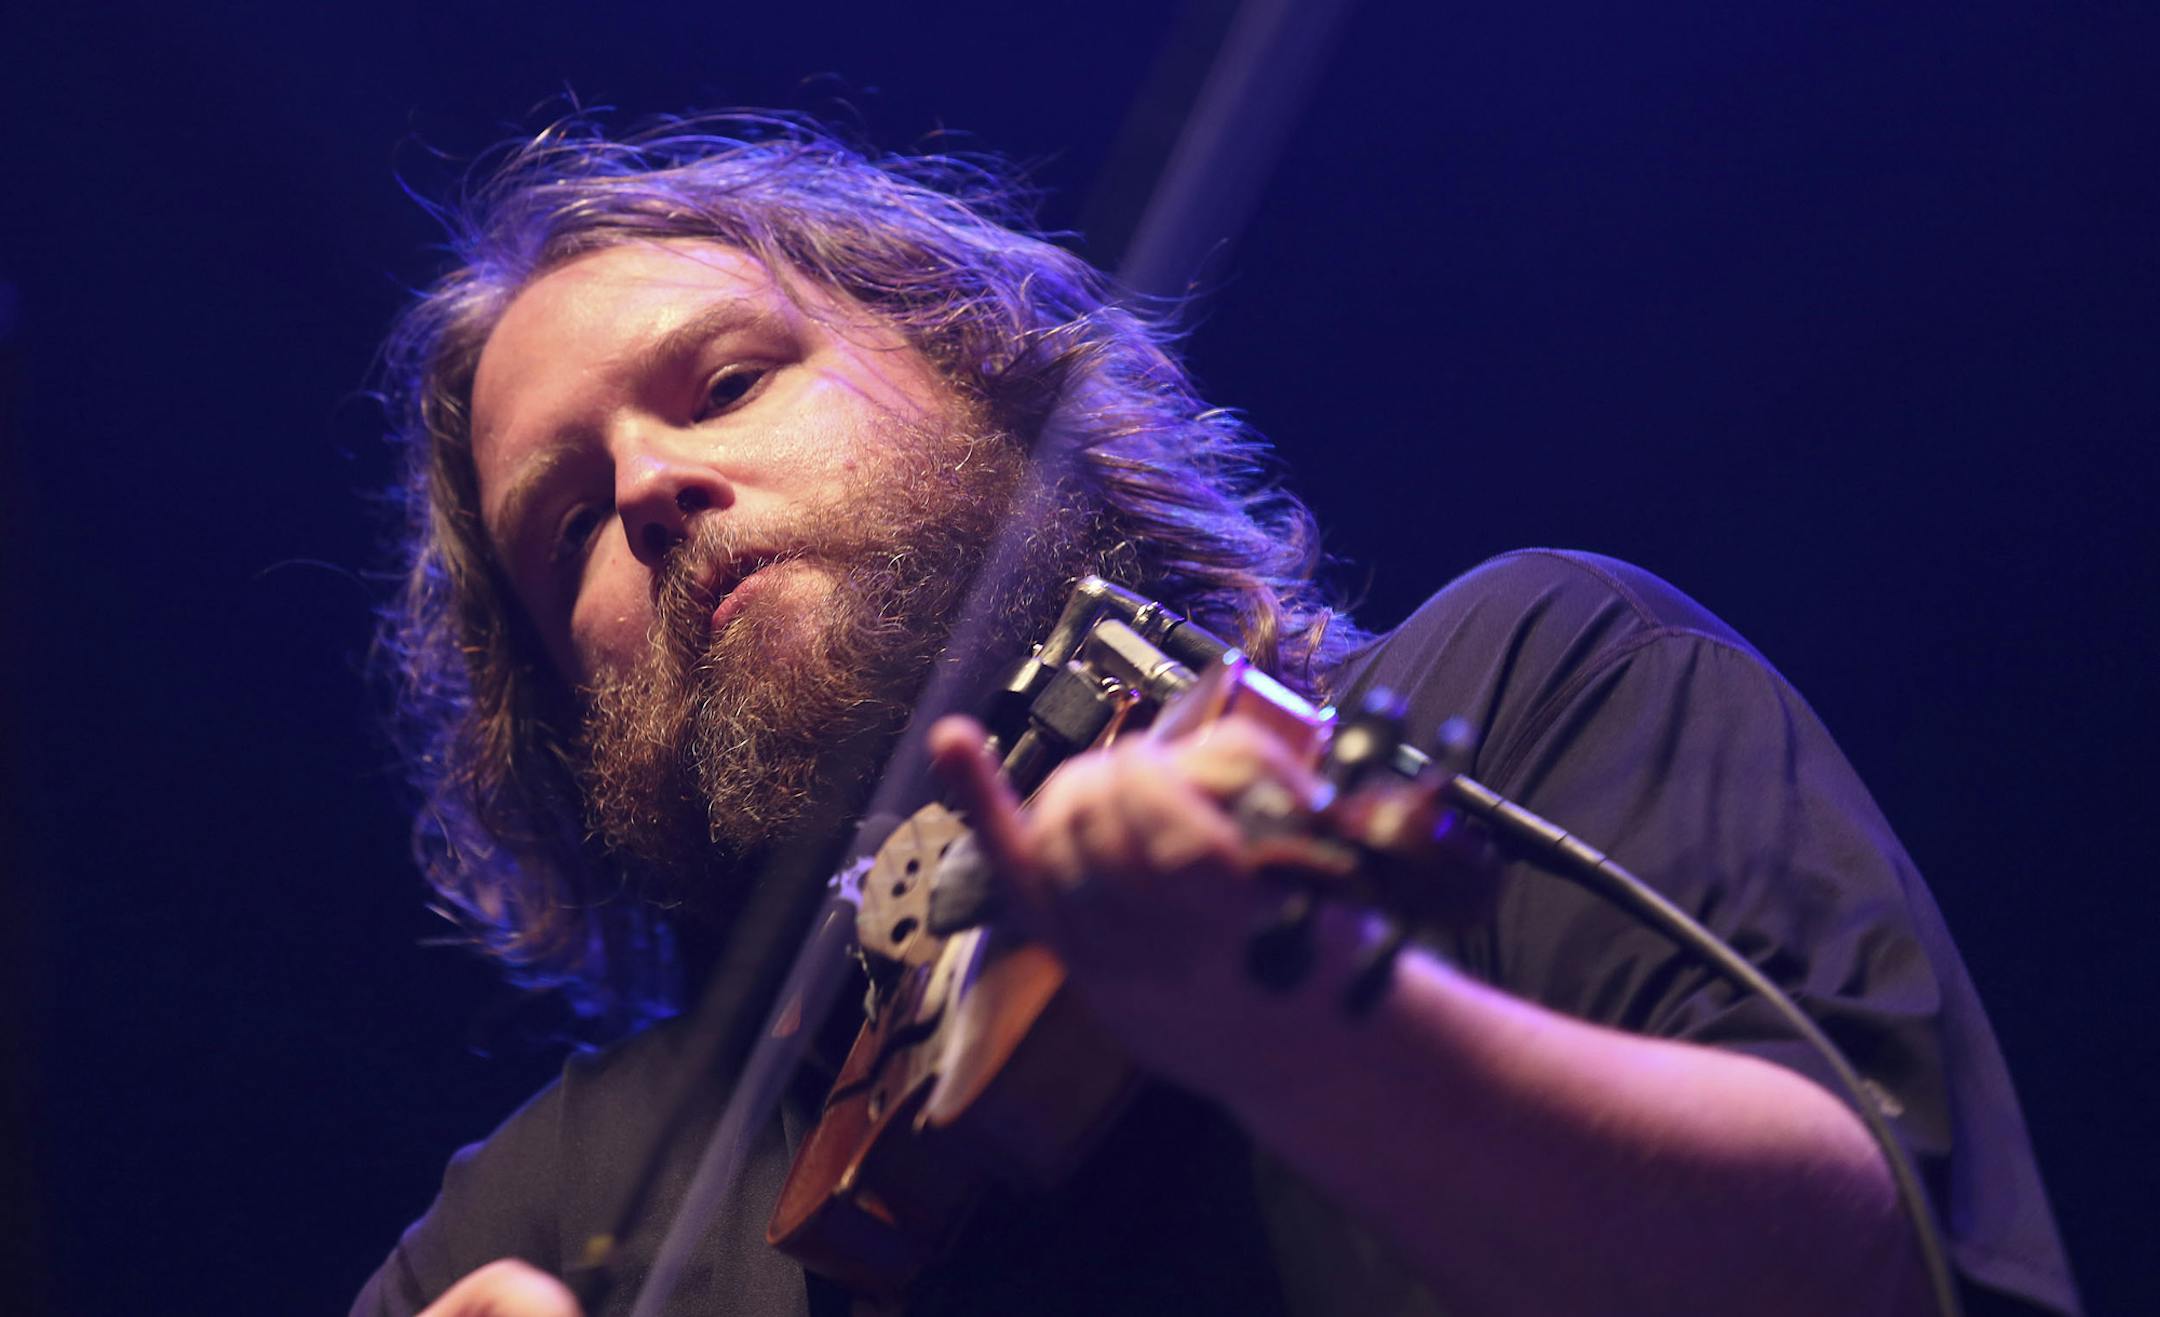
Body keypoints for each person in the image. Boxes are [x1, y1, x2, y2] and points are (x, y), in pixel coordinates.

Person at [355, 117, 2077, 1317]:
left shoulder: (1523, 686)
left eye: (728, 381)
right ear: (560, 717)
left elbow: (1861, 1276)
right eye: (568, 523)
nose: (654, 486)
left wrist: (1310, 1015)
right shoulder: (555, 1206)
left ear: (973, 363)